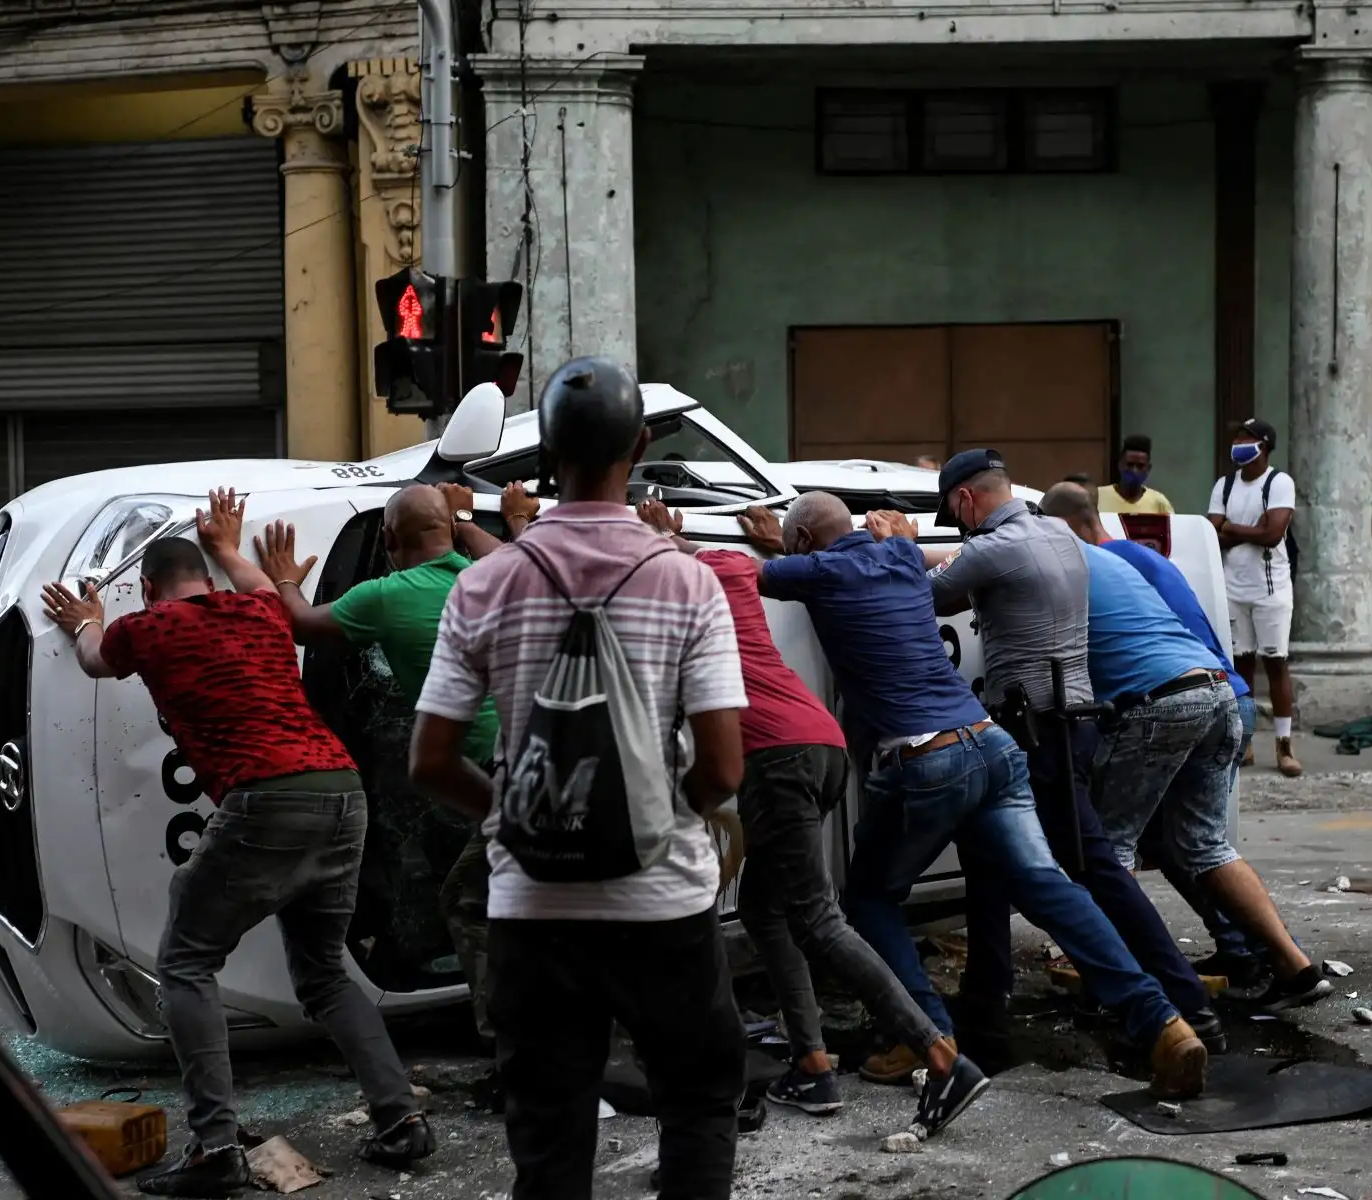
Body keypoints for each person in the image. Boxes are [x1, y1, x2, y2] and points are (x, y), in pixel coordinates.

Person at [736, 492, 1209, 1105]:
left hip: (923, 757)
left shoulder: (821, 570)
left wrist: (731, 542)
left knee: (870, 898)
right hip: (992, 744)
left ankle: (926, 1033)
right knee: (1050, 889)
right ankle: (1165, 1026)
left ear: (803, 544)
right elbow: (930, 555)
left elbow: (741, 571)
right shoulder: (902, 557)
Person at [408, 356, 749, 1200]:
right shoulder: (687, 580)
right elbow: (722, 767)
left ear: (545, 454)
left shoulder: (484, 582)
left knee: (550, 1136)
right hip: (663, 903)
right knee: (699, 1104)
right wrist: (661, 814)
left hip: (531, 910)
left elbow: (430, 760)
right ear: (639, 445)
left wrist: (517, 814)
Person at [40, 493, 431, 1199]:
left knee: (186, 962)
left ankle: (216, 1146)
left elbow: (96, 659)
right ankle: (400, 1119)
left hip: (266, 797)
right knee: (325, 976)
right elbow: (263, 588)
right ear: (211, 579)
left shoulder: (148, 627)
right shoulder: (257, 613)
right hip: (341, 792)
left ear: (151, 588)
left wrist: (88, 620)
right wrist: (228, 545)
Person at [636, 498, 969, 1121]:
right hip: (822, 743)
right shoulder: (732, 566)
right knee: (765, 908)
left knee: (817, 918)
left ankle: (939, 1051)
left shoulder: (672, 574)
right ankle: (813, 1066)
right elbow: (753, 560)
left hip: (776, 755)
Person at [921, 451, 1222, 1056]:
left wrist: (892, 544)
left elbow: (929, 593)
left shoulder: (991, 549)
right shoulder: (1056, 532)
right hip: (1072, 722)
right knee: (989, 861)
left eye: (951, 514)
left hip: (1036, 729)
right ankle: (985, 1009)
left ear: (965, 501)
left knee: (1084, 870)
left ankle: (1178, 1005)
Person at [248, 480, 534, 1067]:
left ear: (386, 539)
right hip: (545, 758)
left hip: (502, 777)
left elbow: (300, 624)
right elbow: (514, 552)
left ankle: (516, 1060)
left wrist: (281, 578)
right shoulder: (496, 569)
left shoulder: (384, 594)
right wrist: (475, 520)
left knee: (467, 898)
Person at [1038, 486, 1333, 1012]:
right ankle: (1293, 966)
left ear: (1061, 529)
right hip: (1217, 691)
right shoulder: (1133, 559)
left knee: (1109, 845)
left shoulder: (1083, 562)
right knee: (1200, 844)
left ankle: (1129, 986)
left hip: (1161, 703)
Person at [1208, 418, 1301, 777]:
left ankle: (1284, 745)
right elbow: (1211, 532)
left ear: (1262, 444)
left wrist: (1230, 527)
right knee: (1240, 666)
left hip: (1271, 589)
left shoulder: (1279, 483)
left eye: (1244, 438)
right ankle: (1243, 741)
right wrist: (1249, 529)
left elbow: (1274, 534)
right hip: (1232, 588)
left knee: (1275, 663)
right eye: (1235, 437)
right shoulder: (1225, 484)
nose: (1237, 443)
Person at [1098, 435, 1174, 515]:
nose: (1134, 470)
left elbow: (1171, 526)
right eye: (1130, 465)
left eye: (1140, 466)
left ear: (1148, 469)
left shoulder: (1159, 502)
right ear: (1120, 465)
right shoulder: (1097, 497)